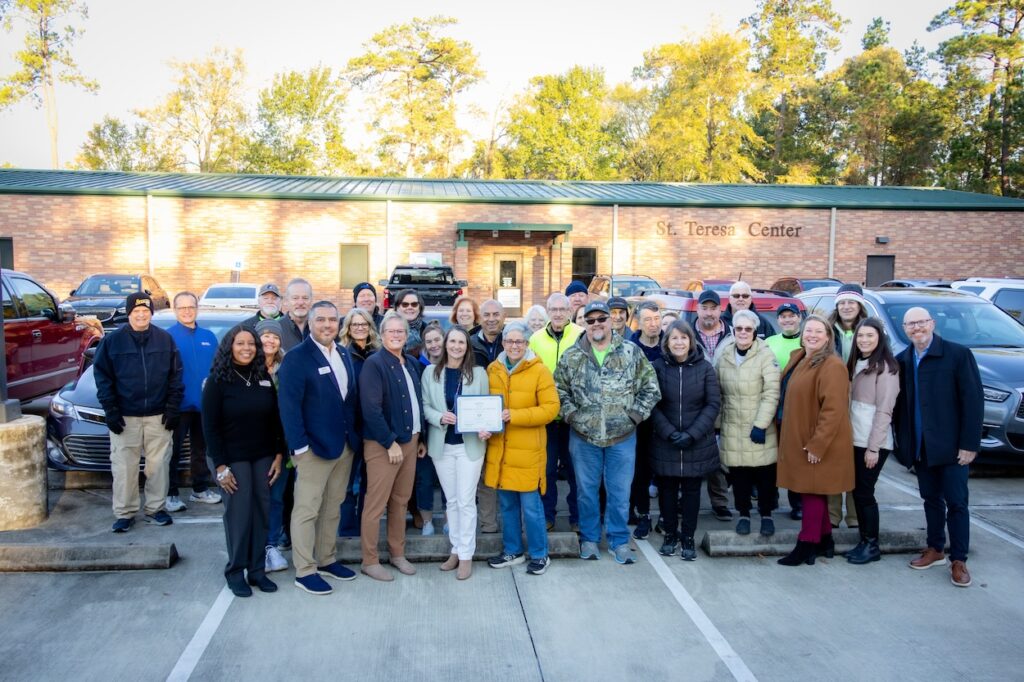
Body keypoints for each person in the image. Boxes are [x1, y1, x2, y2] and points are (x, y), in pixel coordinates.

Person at [555, 301, 660, 565]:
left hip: (621, 438)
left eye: (602, 319)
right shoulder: (571, 356)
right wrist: (572, 416)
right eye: (590, 321)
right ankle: (589, 539)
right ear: (584, 324)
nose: (597, 324)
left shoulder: (630, 351)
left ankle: (618, 540)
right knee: (586, 491)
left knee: (619, 492)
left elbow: (651, 387)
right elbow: (558, 390)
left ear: (611, 321)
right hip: (584, 438)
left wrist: (633, 416)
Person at [893, 306, 983, 588]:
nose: (916, 328)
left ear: (931, 323)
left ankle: (959, 559)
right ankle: (935, 549)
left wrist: (969, 444)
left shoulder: (957, 355)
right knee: (931, 500)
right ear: (905, 329)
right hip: (921, 447)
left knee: (957, 503)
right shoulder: (903, 360)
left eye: (921, 322)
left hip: (952, 447)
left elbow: (973, 402)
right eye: (910, 324)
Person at [277, 300, 361, 595]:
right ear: (310, 323)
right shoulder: (297, 358)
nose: (327, 325)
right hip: (312, 450)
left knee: (332, 507)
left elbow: (346, 400)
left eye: (332, 320)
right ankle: (305, 569)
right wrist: (298, 447)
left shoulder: (342, 353)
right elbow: (289, 407)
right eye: (321, 320)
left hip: (343, 447)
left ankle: (326, 559)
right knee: (307, 510)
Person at [202, 325, 284, 597]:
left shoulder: (262, 376)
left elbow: (275, 420)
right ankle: (236, 571)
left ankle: (257, 571)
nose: (247, 348)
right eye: (240, 343)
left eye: (251, 343)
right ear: (230, 346)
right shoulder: (217, 381)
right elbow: (210, 428)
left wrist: (278, 454)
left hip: (263, 456)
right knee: (239, 515)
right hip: (232, 459)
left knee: (262, 511)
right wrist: (221, 466)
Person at [94, 292, 184, 532]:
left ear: (151, 313)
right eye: (137, 311)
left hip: (158, 416)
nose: (142, 315)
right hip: (125, 417)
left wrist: (172, 408)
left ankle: (156, 508)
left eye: (146, 311)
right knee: (124, 467)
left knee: (159, 466)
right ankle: (125, 512)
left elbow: (176, 376)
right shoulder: (112, 342)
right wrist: (111, 411)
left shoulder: (164, 340)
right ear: (129, 313)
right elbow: (102, 378)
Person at [776, 315, 854, 566]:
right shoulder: (801, 357)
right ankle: (824, 540)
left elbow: (833, 410)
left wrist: (818, 445)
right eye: (808, 330)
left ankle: (806, 544)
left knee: (811, 492)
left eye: (818, 331)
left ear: (829, 337)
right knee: (813, 491)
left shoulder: (832, 365)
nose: (811, 335)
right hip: (801, 438)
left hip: (818, 441)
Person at [486, 322, 560, 576]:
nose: (514, 346)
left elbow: (551, 409)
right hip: (501, 451)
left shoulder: (539, 371)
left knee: (531, 507)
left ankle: (540, 554)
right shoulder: (493, 369)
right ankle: (513, 551)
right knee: (507, 507)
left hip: (528, 452)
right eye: (510, 341)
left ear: (527, 344)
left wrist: (515, 415)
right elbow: (484, 407)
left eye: (520, 342)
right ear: (503, 343)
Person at [358, 312, 426, 582]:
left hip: (410, 442)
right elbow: (370, 409)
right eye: (392, 331)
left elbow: (416, 401)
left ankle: (397, 553)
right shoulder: (374, 364)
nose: (397, 335)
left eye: (401, 331)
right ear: (382, 334)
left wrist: (420, 440)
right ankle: (370, 560)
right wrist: (389, 442)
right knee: (376, 504)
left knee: (400, 502)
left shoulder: (410, 362)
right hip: (383, 445)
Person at [422, 326, 491, 579]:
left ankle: (466, 556)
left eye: (461, 342)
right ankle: (455, 548)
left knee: (465, 501)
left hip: (469, 446)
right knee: (451, 501)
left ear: (467, 346)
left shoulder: (478, 373)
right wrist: (440, 416)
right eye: (452, 341)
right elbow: (425, 406)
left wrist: (487, 429)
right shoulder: (431, 373)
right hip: (442, 446)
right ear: (445, 344)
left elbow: (486, 407)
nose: (456, 346)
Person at [650, 320, 721, 560]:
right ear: (666, 342)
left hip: (696, 442)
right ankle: (670, 534)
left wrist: (692, 434)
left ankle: (688, 537)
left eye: (683, 337)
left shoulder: (704, 368)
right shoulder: (658, 367)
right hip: (665, 441)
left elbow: (713, 404)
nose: (679, 342)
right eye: (674, 338)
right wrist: (669, 432)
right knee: (667, 493)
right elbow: (652, 403)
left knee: (692, 493)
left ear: (691, 341)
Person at [714, 309, 781, 537]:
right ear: (733, 330)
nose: (743, 332)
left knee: (764, 476)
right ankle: (743, 514)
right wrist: (717, 424)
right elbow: (718, 394)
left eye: (748, 329)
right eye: (739, 328)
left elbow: (772, 392)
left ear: (755, 332)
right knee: (739, 476)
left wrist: (761, 424)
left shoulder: (765, 356)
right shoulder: (724, 357)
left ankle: (766, 515)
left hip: (759, 427)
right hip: (732, 426)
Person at [845, 318, 900, 565]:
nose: (864, 340)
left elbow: (884, 411)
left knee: (865, 493)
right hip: (855, 438)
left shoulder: (886, 368)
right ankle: (863, 541)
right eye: (860, 336)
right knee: (858, 492)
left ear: (880, 338)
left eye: (870, 336)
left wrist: (873, 448)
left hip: (872, 441)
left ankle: (872, 545)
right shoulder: (857, 363)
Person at [529, 293, 583, 532]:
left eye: (563, 309)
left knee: (576, 471)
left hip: (575, 417)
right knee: (547, 469)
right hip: (546, 418)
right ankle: (547, 516)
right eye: (554, 309)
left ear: (570, 311)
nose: (558, 314)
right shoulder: (535, 339)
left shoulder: (581, 335)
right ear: (548, 312)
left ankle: (577, 518)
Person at [166, 292, 221, 513]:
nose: (187, 311)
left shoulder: (209, 336)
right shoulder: (167, 337)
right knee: (173, 451)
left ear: (197, 308)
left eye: (191, 307)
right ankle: (170, 493)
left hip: (204, 406)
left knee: (201, 449)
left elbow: (218, 369)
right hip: (178, 405)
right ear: (175, 310)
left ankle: (200, 489)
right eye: (182, 308)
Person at [827, 283, 869, 529]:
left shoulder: (870, 330)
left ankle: (854, 516)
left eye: (851, 302)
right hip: (833, 399)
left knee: (857, 460)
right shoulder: (828, 330)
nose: (846, 307)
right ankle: (833, 515)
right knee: (833, 459)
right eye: (842, 302)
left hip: (861, 401)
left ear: (859, 305)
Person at [692, 289, 732, 522]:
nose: (709, 312)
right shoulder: (687, 334)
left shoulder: (733, 335)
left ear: (720, 310)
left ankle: (720, 502)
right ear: (697, 309)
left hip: (726, 407)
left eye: (713, 308)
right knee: (692, 458)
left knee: (718, 460)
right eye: (704, 308)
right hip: (695, 407)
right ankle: (688, 501)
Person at [337, 308, 377, 538]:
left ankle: (364, 528)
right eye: (355, 325)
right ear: (348, 329)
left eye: (364, 324)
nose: (360, 328)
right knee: (347, 482)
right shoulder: (341, 354)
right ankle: (346, 530)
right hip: (349, 428)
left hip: (372, 428)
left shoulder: (378, 353)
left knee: (368, 483)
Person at [255, 318, 289, 573]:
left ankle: (271, 546)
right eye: (265, 335)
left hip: (283, 445)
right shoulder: (245, 366)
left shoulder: (286, 367)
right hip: (254, 446)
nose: (270, 340)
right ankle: (254, 546)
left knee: (277, 498)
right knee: (255, 498)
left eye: (274, 336)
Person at [765, 301, 805, 520]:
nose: (788, 320)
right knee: (772, 455)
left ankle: (797, 503)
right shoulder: (769, 342)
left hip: (799, 410)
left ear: (799, 318)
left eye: (792, 315)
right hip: (774, 407)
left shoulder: (808, 340)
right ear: (778, 320)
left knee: (794, 457)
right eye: (783, 316)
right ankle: (770, 498)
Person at [627, 300, 661, 538]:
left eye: (657, 319)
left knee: (661, 470)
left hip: (665, 418)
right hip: (638, 420)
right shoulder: (629, 347)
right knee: (639, 469)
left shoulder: (671, 344)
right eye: (648, 319)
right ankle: (642, 514)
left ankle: (666, 517)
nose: (653, 324)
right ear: (639, 322)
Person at [470, 299, 505, 532]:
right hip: (478, 416)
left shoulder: (512, 340)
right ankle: (488, 524)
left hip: (507, 414)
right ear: (479, 317)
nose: (491, 319)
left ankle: (512, 524)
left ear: (503, 317)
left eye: (496, 314)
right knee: (483, 474)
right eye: (486, 314)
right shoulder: (470, 344)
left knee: (507, 470)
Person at [413, 321, 445, 533]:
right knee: (424, 479)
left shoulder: (455, 364)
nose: (434, 345)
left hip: (448, 431)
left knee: (447, 480)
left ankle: (451, 520)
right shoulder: (417, 366)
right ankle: (427, 521)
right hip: (425, 432)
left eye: (437, 340)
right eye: (429, 341)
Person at [280, 278, 313, 351]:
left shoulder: (320, 327)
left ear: (311, 300)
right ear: (286, 301)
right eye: (295, 298)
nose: (300, 302)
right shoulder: (277, 329)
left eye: (305, 298)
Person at [394, 288, 427, 357]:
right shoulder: (388, 329)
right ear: (397, 307)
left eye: (414, 304)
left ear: (420, 307)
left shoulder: (427, 330)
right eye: (405, 304)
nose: (410, 307)